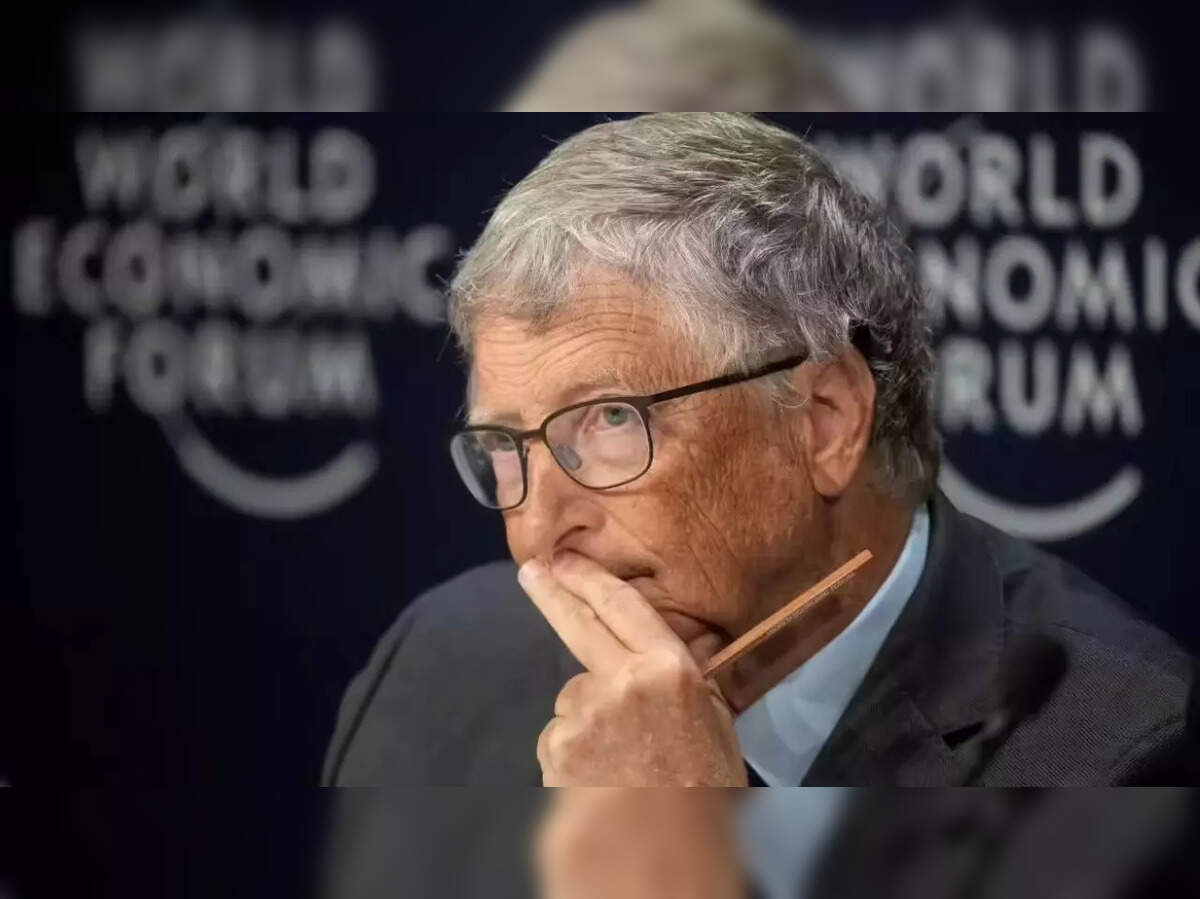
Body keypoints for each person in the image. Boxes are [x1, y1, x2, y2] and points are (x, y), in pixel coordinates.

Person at [323, 113, 1192, 787]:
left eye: (611, 420)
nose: (538, 533)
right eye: (507, 445)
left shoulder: (1130, 748)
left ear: (825, 420)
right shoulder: (435, 667)